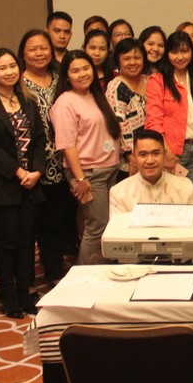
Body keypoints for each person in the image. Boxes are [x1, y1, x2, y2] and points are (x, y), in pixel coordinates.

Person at [0, 48, 46, 318]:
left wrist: (36, 171)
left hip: (30, 185)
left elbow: (40, 139)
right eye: (2, 67)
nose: (9, 72)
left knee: (27, 241)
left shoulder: (27, 100)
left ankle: (25, 291)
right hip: (1, 185)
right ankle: (8, 295)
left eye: (12, 66)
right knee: (7, 242)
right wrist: (18, 172)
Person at [50, 50, 121, 266]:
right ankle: (85, 276)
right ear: (66, 76)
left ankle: (105, 271)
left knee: (109, 226)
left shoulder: (96, 94)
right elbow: (67, 145)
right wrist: (80, 179)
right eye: (75, 71)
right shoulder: (65, 103)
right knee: (97, 228)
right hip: (89, 173)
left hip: (110, 168)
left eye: (86, 68)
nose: (82, 74)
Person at [20, 29, 71, 284]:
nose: (39, 53)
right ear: (23, 53)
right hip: (31, 165)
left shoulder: (61, 79)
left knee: (56, 222)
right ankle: (27, 281)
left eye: (43, 48)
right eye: (33, 49)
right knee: (30, 226)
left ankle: (54, 273)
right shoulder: (17, 82)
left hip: (62, 162)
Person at [144, 31, 193, 185]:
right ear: (167, 54)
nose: (180, 57)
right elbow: (153, 122)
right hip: (172, 150)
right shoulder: (157, 80)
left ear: (192, 52)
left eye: (184, 51)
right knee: (172, 195)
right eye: (174, 52)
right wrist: (166, 152)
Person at [109, 128, 193, 212]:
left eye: (156, 153)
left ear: (164, 154)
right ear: (134, 156)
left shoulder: (185, 187)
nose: (150, 161)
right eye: (143, 154)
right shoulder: (119, 193)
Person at [105, 38, 148, 175]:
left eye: (137, 58)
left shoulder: (150, 81)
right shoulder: (116, 87)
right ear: (118, 61)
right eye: (127, 58)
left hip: (152, 154)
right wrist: (130, 156)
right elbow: (118, 124)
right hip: (129, 161)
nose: (133, 62)